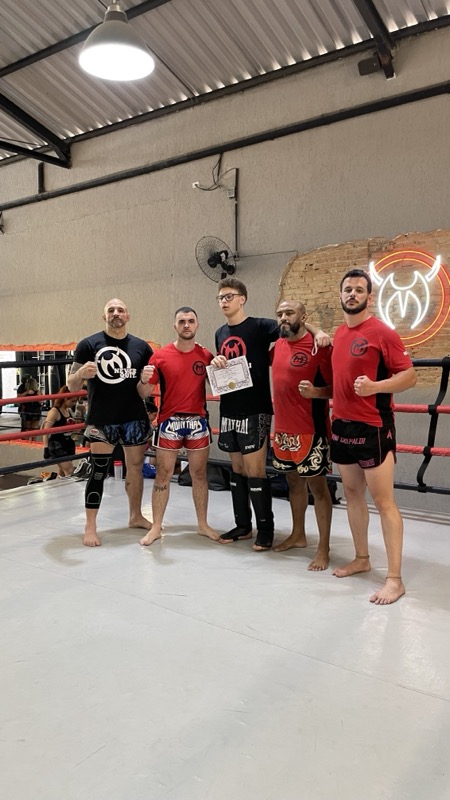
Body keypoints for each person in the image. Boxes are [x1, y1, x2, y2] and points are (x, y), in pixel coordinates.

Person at [211, 278, 328, 552]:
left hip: (257, 408)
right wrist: (215, 362)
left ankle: (265, 530)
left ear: (242, 298)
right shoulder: (219, 332)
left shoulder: (261, 326)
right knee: (237, 470)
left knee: (256, 471)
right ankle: (243, 526)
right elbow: (224, 363)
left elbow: (294, 325)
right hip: (230, 408)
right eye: (220, 298)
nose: (224, 301)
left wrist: (319, 331)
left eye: (229, 296)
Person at [330, 269, 416, 605]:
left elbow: (409, 376)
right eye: (347, 289)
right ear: (340, 295)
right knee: (352, 494)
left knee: (384, 502)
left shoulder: (382, 332)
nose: (352, 294)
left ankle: (395, 579)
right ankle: (362, 558)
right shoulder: (339, 333)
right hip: (342, 426)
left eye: (359, 289)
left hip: (373, 427)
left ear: (369, 296)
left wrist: (376, 387)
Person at [67, 298, 154, 547]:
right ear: (104, 316)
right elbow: (71, 385)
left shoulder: (141, 347)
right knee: (98, 470)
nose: (116, 313)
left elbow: (144, 392)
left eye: (121, 310)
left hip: (133, 417)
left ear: (128, 316)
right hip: (102, 419)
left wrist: (146, 381)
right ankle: (90, 525)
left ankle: (135, 516)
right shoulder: (88, 344)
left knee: (135, 468)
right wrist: (80, 374)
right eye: (111, 310)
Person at [139, 307, 220, 546]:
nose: (186, 325)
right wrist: (142, 379)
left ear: (197, 325)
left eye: (191, 321)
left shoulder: (206, 355)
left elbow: (221, 386)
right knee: (162, 474)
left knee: (199, 475)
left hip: (197, 421)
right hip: (169, 422)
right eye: (182, 321)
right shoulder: (160, 356)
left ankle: (203, 524)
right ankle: (156, 527)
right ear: (175, 326)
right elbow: (143, 392)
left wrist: (221, 366)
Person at [271, 299, 333, 570]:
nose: (283, 317)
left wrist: (317, 392)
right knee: (293, 484)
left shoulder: (319, 347)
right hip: (283, 431)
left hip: (311, 430)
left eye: (289, 313)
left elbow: (337, 387)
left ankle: (323, 548)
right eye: (280, 314)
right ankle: (298, 535)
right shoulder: (277, 345)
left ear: (304, 317)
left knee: (318, 489)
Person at [42, 385, 77, 478]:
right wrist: (46, 448)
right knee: (69, 470)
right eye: (72, 401)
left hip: (68, 443)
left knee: (62, 472)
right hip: (57, 444)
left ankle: (57, 485)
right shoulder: (54, 412)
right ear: (65, 398)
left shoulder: (68, 410)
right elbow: (45, 430)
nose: (74, 403)